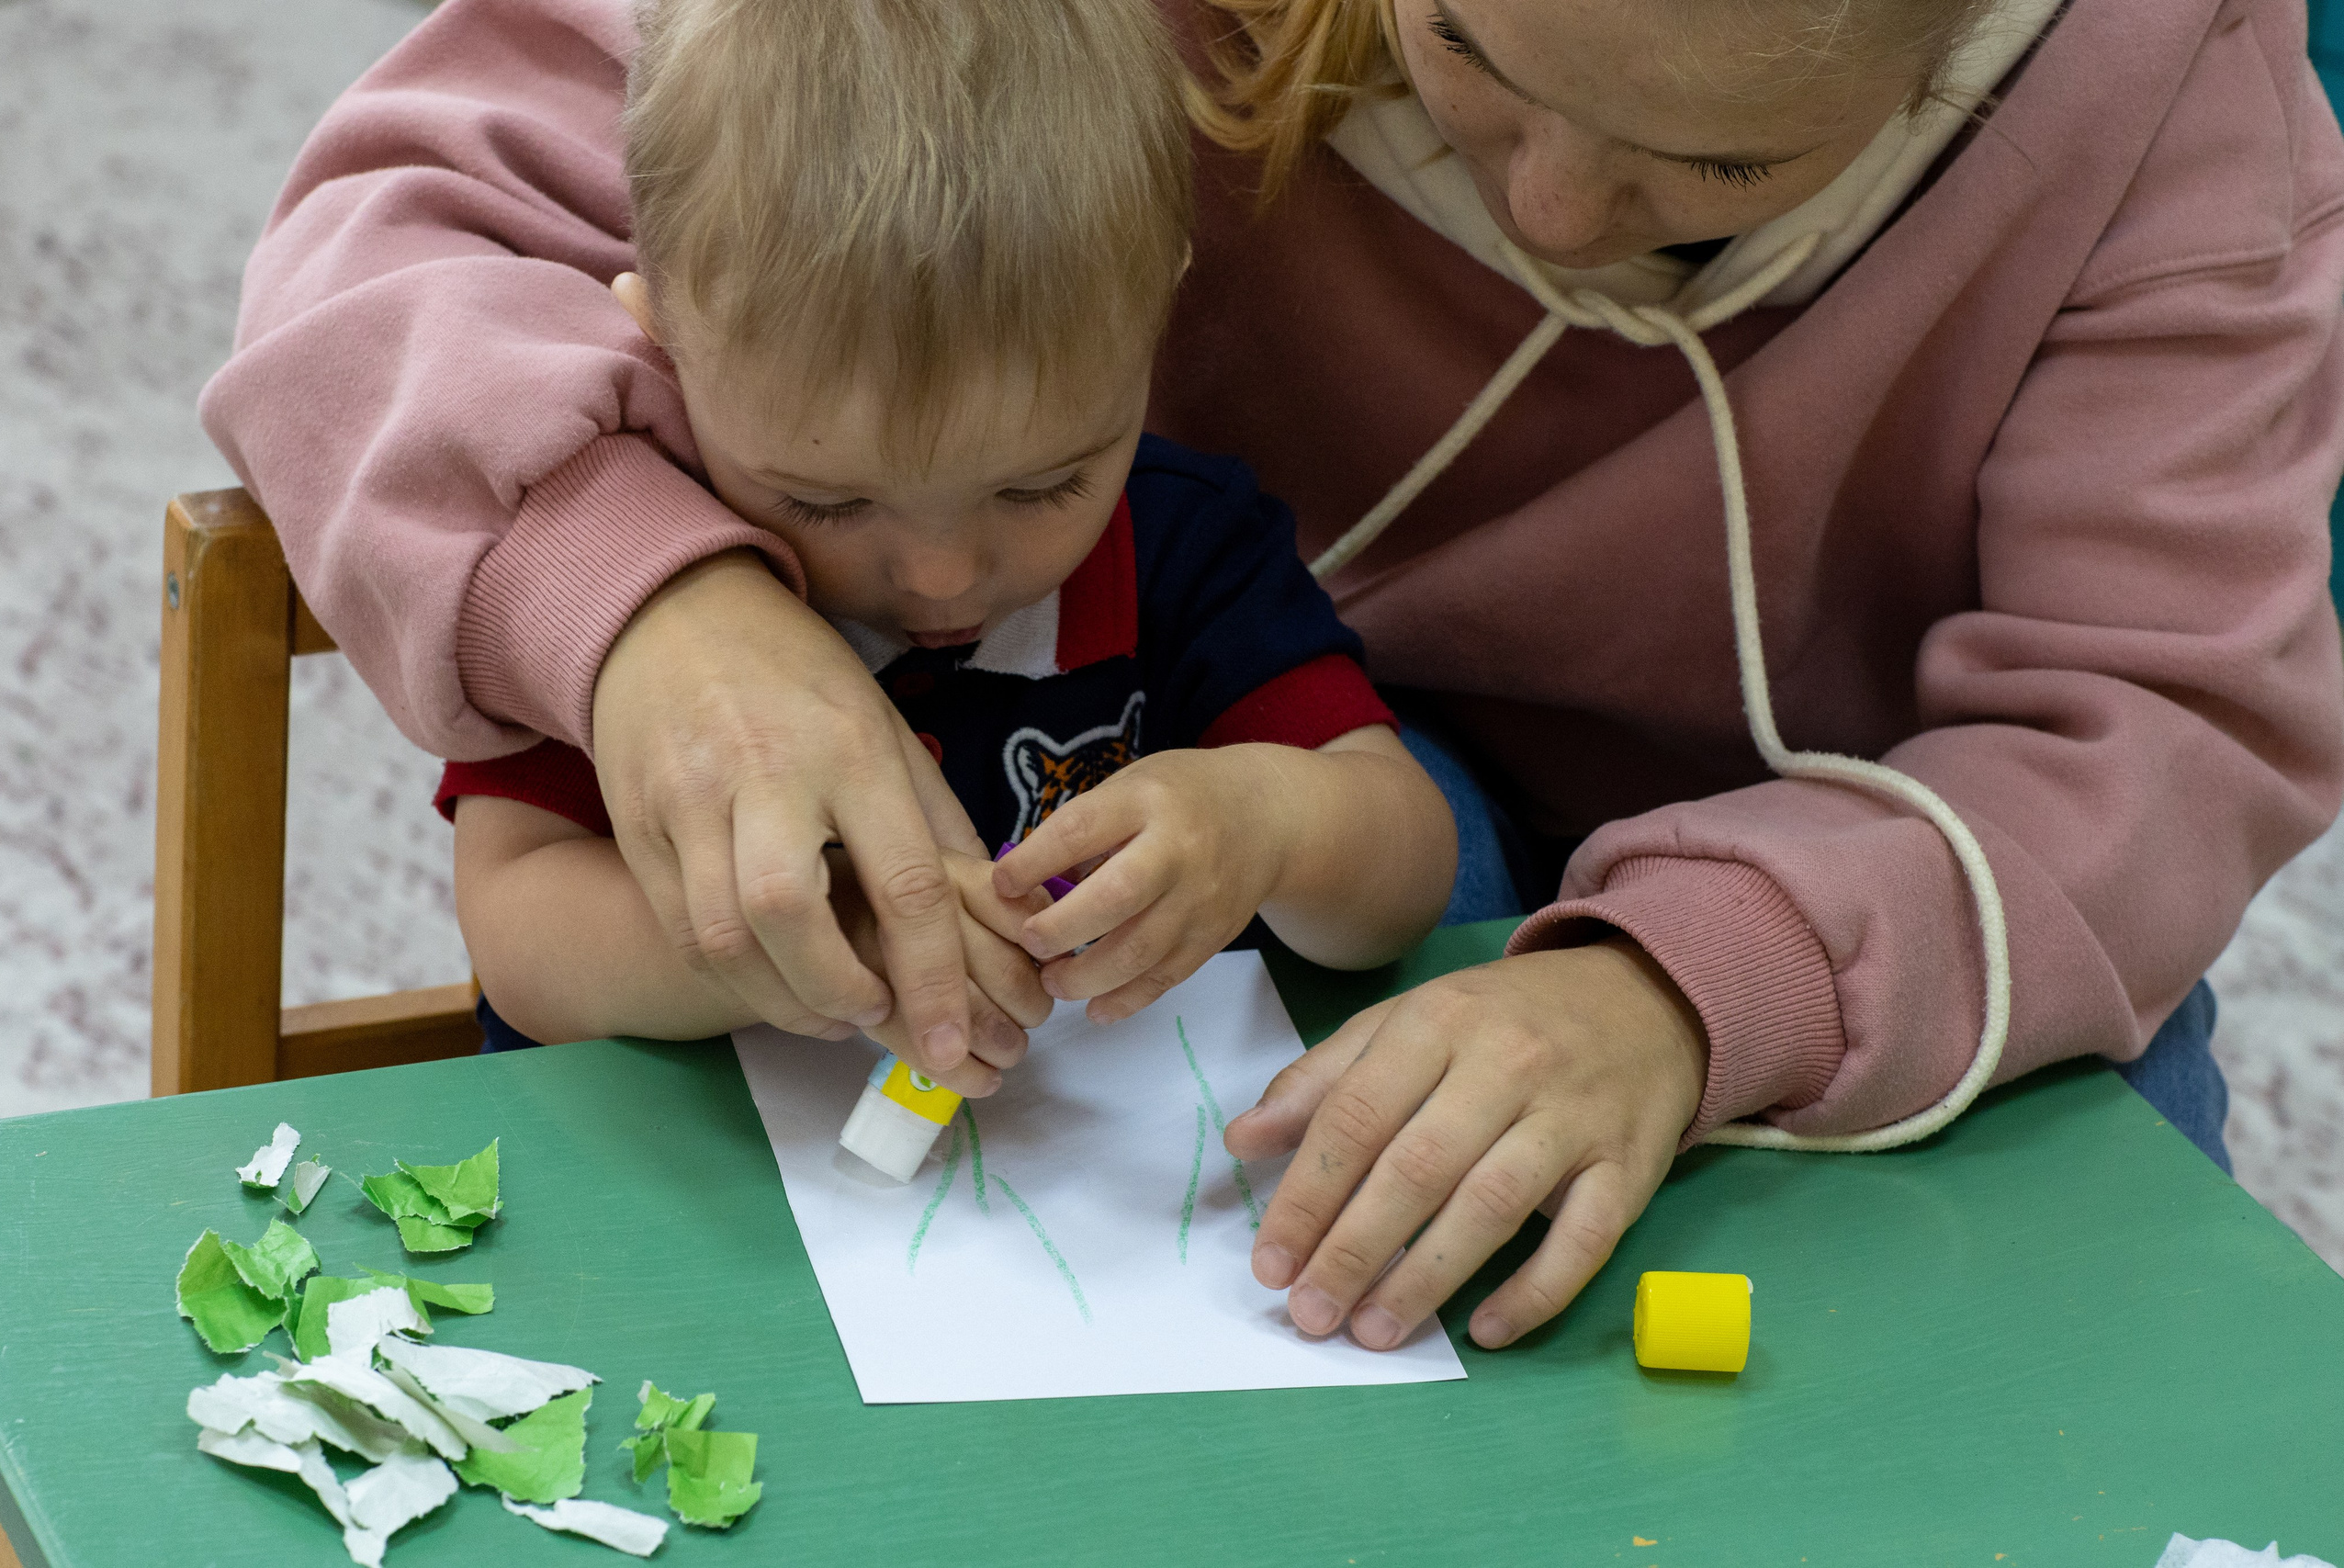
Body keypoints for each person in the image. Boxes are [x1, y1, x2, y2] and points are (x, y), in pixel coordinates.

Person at [202, 0, 2344, 1355]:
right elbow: (381, 254)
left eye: (1718, 174)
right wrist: (663, 605)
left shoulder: (2160, 80)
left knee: (2055, 1386)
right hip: (1260, 847)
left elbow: (2154, 730)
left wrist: (1685, 984)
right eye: (1464, 54)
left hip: (1845, 916)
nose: (1559, 210)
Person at [431, 0, 1456, 1068]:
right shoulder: (629, 584)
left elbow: (1412, 866)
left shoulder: (1187, 546)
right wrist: (811, 938)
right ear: (661, 346)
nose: (942, 576)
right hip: (690, 1183)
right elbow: (518, 923)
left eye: (1043, 486)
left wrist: (1271, 824)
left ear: (1157, 315)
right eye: (827, 502)